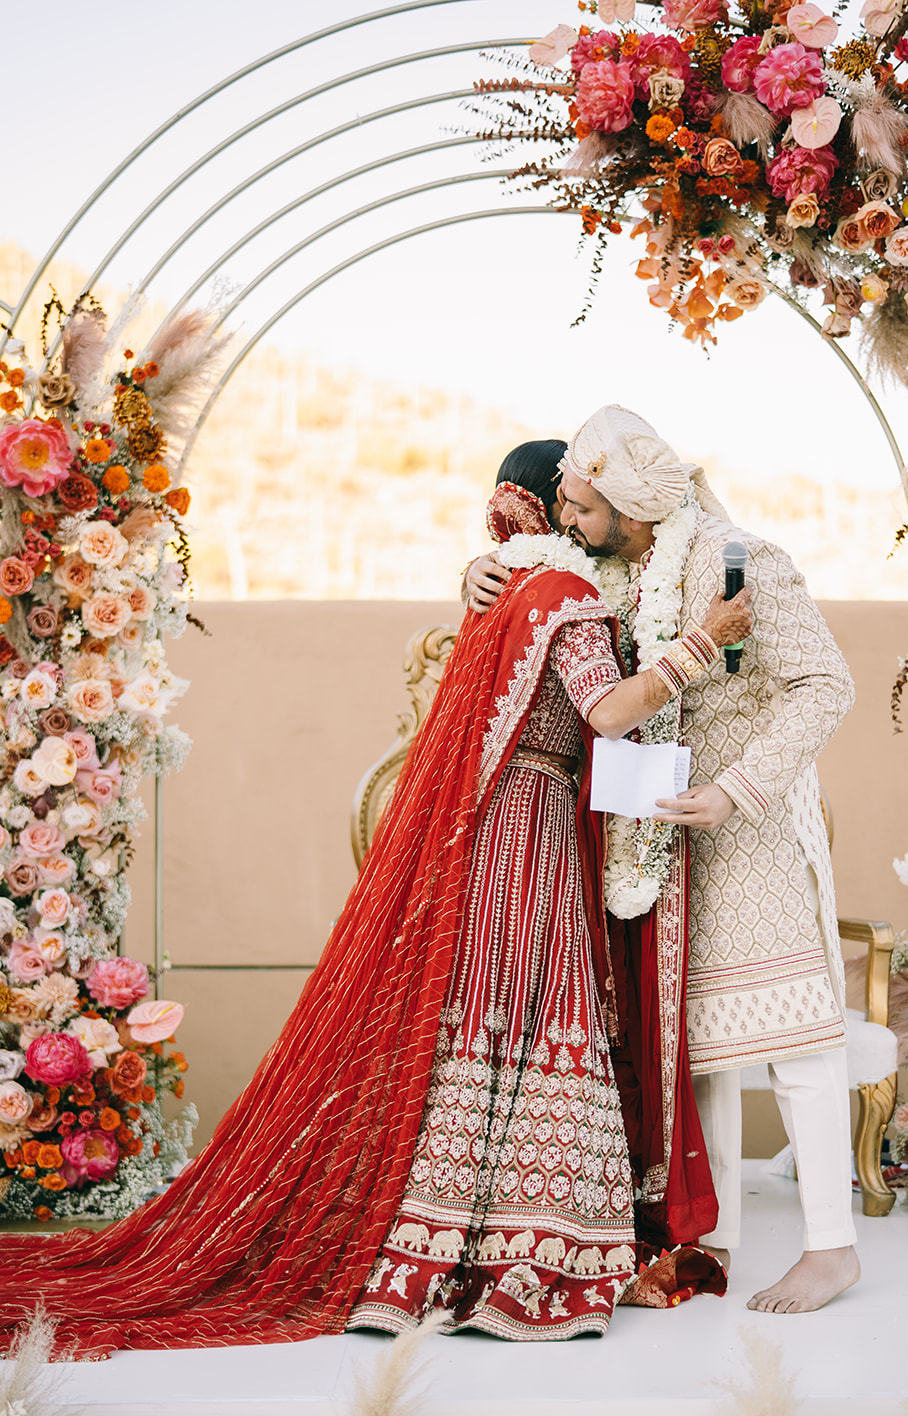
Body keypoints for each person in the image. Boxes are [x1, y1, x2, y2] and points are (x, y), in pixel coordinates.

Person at [0, 453, 749, 1356]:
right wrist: (704, 644)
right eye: (594, 508)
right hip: (532, 826)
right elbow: (605, 714)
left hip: (487, 835)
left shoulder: (507, 589)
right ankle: (526, 1245)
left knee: (482, 1014)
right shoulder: (566, 592)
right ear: (573, 505)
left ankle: (427, 1243)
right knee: (536, 1008)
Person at [466, 406, 859, 1315]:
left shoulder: (742, 560)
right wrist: (478, 570)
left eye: (581, 506)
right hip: (659, 827)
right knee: (698, 1044)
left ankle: (830, 1249)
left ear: (634, 505)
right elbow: (549, 596)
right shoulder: (612, 563)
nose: (567, 521)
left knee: (792, 1030)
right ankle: (705, 1238)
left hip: (747, 819)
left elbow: (823, 684)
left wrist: (737, 790)